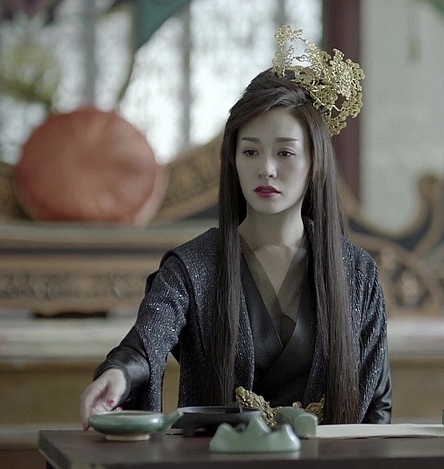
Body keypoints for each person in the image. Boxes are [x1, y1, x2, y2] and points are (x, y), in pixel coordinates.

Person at [79, 25, 391, 427]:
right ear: (234, 160)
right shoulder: (194, 267)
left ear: (315, 163)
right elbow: (147, 342)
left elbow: (377, 406)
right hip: (220, 453)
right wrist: (118, 374)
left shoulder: (357, 273)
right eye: (251, 152)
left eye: (285, 153)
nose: (266, 168)